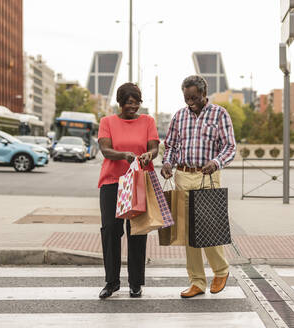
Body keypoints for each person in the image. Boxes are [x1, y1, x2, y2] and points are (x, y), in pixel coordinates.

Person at [161, 75, 236, 298]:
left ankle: (221, 271)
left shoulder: (219, 114)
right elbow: (171, 146)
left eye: (194, 97)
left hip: (207, 176)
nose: (190, 102)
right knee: (188, 232)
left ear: (204, 94)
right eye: (186, 98)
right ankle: (196, 281)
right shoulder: (179, 116)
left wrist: (217, 162)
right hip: (183, 175)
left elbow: (230, 147)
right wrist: (167, 162)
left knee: (208, 228)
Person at [97, 82, 160, 299]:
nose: (133, 107)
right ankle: (111, 282)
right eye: (128, 103)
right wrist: (124, 155)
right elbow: (105, 149)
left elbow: (154, 148)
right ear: (120, 103)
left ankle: (135, 283)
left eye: (136, 103)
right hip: (112, 183)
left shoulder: (148, 121)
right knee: (111, 232)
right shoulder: (107, 122)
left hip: (138, 182)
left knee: (137, 232)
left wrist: (148, 156)